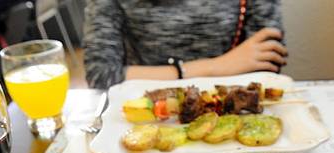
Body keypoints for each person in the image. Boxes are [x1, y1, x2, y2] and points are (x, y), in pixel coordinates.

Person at [83, 0, 287, 89]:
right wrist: (215, 66)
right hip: (144, 113)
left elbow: (268, 62)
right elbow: (101, 75)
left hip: (237, 114)